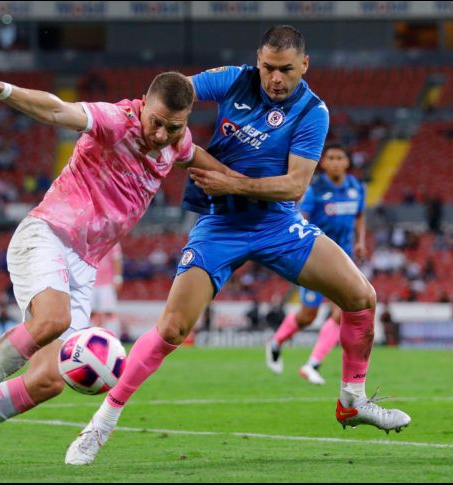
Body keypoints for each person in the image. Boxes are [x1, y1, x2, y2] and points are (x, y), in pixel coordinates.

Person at [66, 25, 410, 466]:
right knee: (172, 328)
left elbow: (295, 186)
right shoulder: (235, 78)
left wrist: (233, 181)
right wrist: (141, 116)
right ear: (258, 61)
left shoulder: (312, 112)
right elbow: (176, 90)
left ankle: (352, 401)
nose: (275, 79)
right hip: (221, 225)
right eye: (268, 67)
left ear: (305, 65)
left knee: (362, 297)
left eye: (286, 69)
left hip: (278, 223)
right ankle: (100, 425)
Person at [0, 61, 237, 474]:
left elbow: (200, 159)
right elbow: (58, 110)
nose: (161, 135)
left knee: (48, 380)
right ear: (144, 105)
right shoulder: (117, 121)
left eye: (174, 127)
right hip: (48, 235)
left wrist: (249, 187)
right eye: (157, 123)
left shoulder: (176, 142)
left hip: (84, 263)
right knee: (52, 320)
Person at [265, 144, 367, 385]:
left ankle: (312, 364)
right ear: (323, 163)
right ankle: (276, 342)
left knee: (341, 312)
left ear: (346, 162)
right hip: (317, 259)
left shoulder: (356, 188)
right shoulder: (316, 190)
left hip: (345, 259)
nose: (334, 161)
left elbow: (361, 214)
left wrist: (361, 241)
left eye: (339, 157)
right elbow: (302, 219)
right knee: (307, 316)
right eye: (330, 157)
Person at [90, 242, 124, 336]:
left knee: (108, 312)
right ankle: (90, 337)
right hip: (89, 283)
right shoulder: (88, 238)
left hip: (106, 283)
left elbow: (117, 258)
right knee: (90, 313)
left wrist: (117, 278)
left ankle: (112, 337)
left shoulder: (112, 239)